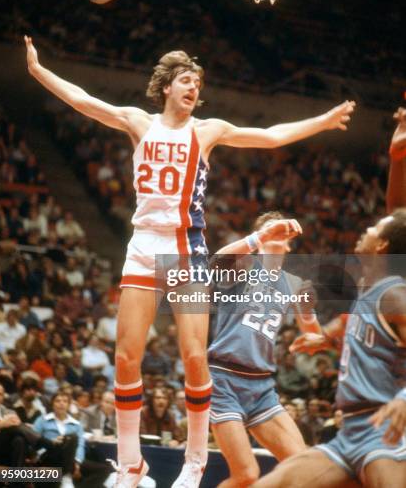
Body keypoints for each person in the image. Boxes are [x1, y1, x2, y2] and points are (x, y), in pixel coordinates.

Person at [25, 36, 355, 488]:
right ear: (166, 87)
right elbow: (83, 100)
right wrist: (38, 70)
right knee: (125, 358)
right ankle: (130, 464)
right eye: (186, 80)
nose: (193, 88)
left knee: (195, 356)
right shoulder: (138, 121)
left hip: (185, 250)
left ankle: (196, 459)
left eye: (198, 83)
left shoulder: (208, 130)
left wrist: (322, 120)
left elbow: (271, 136)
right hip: (143, 245)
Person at [252, 209, 406, 488]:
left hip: (387, 435)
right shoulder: (369, 288)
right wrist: (329, 340)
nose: (367, 228)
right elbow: (375, 343)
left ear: (382, 245)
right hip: (349, 435)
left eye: (375, 226)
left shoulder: (395, 296)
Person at [207, 213, 322, 486]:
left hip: (261, 387)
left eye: (280, 231)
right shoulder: (243, 267)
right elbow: (216, 261)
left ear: (290, 245)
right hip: (224, 378)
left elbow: (315, 338)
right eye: (269, 230)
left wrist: (312, 325)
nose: (276, 233)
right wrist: (264, 234)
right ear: (258, 240)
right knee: (246, 474)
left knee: (305, 469)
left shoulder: (294, 284)